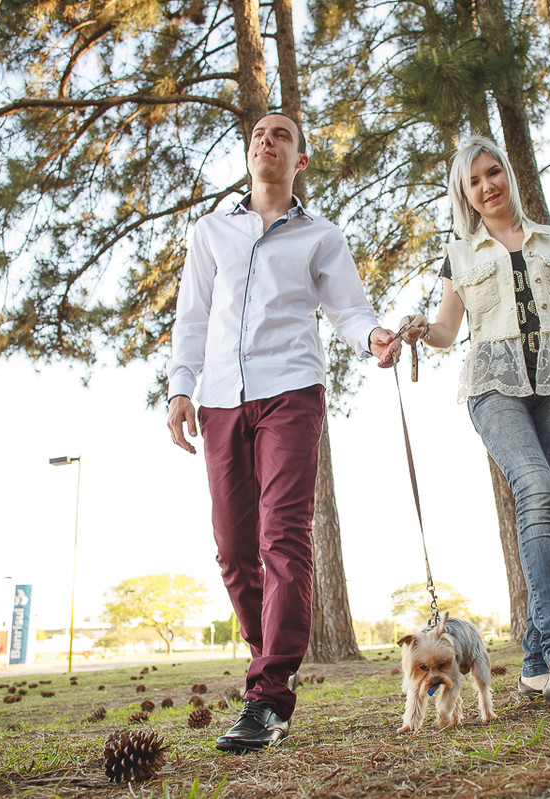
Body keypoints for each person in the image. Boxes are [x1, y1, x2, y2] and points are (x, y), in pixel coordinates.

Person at [166, 112, 400, 752]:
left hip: (291, 391)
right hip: (218, 400)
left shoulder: (320, 235)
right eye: (258, 136)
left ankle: (269, 695)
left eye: (282, 137)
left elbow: (349, 308)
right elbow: (192, 317)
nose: (266, 141)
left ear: (299, 161)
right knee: (235, 552)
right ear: (249, 155)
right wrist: (180, 386)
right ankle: (265, 655)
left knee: (282, 540)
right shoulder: (210, 232)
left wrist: (372, 337)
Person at [399, 136, 550, 702]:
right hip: (493, 386)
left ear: (508, 175)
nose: (487, 186)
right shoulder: (461, 253)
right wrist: (425, 328)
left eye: (493, 172)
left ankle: (533, 663)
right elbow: (450, 330)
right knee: (537, 489)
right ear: (465, 194)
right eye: (474, 182)